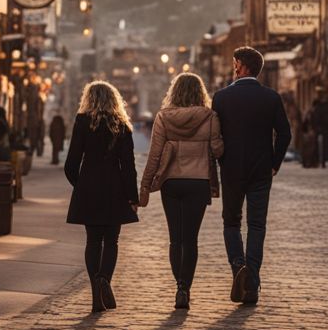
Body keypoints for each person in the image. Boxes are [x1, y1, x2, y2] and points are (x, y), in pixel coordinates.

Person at [138, 73, 224, 310]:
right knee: (191, 239)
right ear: (200, 92)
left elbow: (154, 155)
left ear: (173, 92)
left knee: (175, 239)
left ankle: (179, 286)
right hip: (198, 182)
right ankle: (186, 287)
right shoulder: (210, 117)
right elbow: (218, 150)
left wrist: (145, 186)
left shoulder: (163, 118)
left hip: (171, 182)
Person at [212, 46, 291, 306]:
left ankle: (238, 268)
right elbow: (285, 134)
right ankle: (252, 283)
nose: (233, 67)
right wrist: (274, 164)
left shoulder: (221, 98)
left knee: (231, 223)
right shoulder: (270, 98)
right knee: (257, 226)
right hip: (261, 171)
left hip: (232, 170)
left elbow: (215, 138)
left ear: (241, 66)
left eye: (235, 63)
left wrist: (221, 159)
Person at [64, 82, 139, 313]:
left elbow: (70, 165)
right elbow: (128, 166)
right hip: (115, 188)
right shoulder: (122, 125)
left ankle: (96, 292)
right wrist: (132, 197)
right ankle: (105, 278)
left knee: (93, 241)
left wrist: (82, 186)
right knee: (112, 241)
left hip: (90, 189)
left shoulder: (82, 122)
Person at [311, 96, 328, 168]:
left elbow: (315, 120)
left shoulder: (318, 109)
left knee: (321, 148)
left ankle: (322, 162)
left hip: (321, 131)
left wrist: (316, 128)